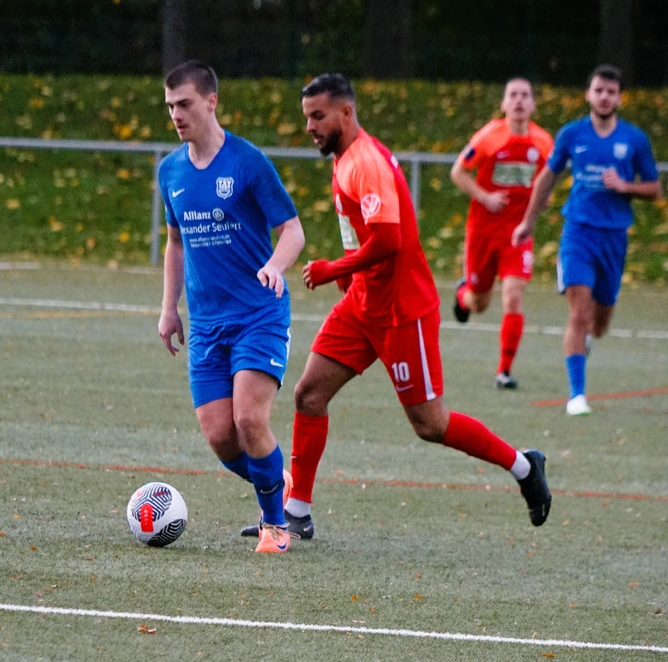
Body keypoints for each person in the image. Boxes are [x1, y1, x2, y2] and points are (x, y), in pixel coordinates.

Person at [243, 73, 551, 540]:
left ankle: (524, 466)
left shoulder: (365, 161)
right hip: (362, 304)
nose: (309, 127)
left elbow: (391, 239)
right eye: (307, 117)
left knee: (430, 424)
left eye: (318, 117)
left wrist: (333, 267)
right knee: (309, 395)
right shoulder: (344, 157)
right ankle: (297, 511)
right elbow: (363, 230)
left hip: (403, 311)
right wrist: (350, 272)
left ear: (346, 112)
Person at [157, 60, 305, 553]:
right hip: (206, 325)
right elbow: (175, 242)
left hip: (258, 315)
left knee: (249, 420)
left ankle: (275, 525)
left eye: (184, 104)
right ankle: (274, 482)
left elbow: (293, 231)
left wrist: (276, 266)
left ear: (211, 101)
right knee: (222, 438)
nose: (176, 115)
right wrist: (169, 308)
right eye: (170, 106)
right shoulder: (170, 170)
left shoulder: (247, 162)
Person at [513, 64, 662, 416]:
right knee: (578, 314)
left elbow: (655, 189)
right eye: (599, 90)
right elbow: (546, 179)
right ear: (588, 95)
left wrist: (625, 187)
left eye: (611, 92)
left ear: (619, 98)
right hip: (577, 233)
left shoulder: (634, 139)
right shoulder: (571, 134)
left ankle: (588, 341)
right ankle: (576, 395)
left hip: (614, 238)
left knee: (600, 322)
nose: (605, 97)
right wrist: (527, 223)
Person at [450, 78, 554, 390]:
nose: (519, 100)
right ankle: (462, 295)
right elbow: (458, 172)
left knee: (513, 295)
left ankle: (504, 371)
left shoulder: (543, 142)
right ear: (504, 104)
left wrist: (542, 200)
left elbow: (547, 181)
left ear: (533, 104)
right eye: (513, 95)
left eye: (525, 95)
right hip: (483, 231)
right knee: (479, 303)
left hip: (517, 233)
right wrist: (485, 197)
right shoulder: (489, 136)